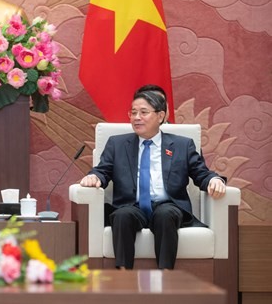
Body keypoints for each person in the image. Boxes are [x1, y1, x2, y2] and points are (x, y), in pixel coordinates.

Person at [79, 90, 226, 269]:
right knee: (121, 216)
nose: (136, 117)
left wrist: (214, 180)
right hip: (132, 206)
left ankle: (165, 275)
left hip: (167, 205)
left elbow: (201, 173)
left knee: (165, 215)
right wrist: (94, 177)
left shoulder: (182, 145)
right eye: (133, 113)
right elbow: (103, 170)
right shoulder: (117, 144)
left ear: (160, 116)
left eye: (143, 112)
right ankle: (123, 276)